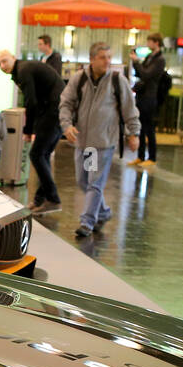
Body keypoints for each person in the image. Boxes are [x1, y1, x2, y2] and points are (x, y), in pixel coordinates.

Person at [60, 41, 139, 238]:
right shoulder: (79, 79)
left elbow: (129, 108)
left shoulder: (116, 80)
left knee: (95, 182)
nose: (107, 61)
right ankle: (103, 212)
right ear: (92, 59)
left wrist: (133, 132)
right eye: (103, 57)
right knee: (83, 181)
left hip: (103, 142)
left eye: (109, 57)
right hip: (84, 142)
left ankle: (87, 221)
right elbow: (66, 103)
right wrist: (66, 125)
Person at [0, 49, 64, 214]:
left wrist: (28, 130)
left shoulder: (23, 71)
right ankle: (41, 199)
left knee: (37, 154)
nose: (2, 65)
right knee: (42, 155)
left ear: (13, 57)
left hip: (54, 110)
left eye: (4, 61)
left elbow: (31, 102)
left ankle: (53, 198)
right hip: (55, 110)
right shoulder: (22, 70)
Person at [130, 32, 165, 168]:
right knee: (141, 127)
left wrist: (137, 62)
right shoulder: (150, 57)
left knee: (149, 127)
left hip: (150, 97)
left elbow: (146, 75)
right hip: (142, 95)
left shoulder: (159, 59)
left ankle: (152, 156)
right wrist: (136, 63)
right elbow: (140, 73)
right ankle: (140, 156)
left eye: (149, 41)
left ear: (156, 42)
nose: (147, 44)